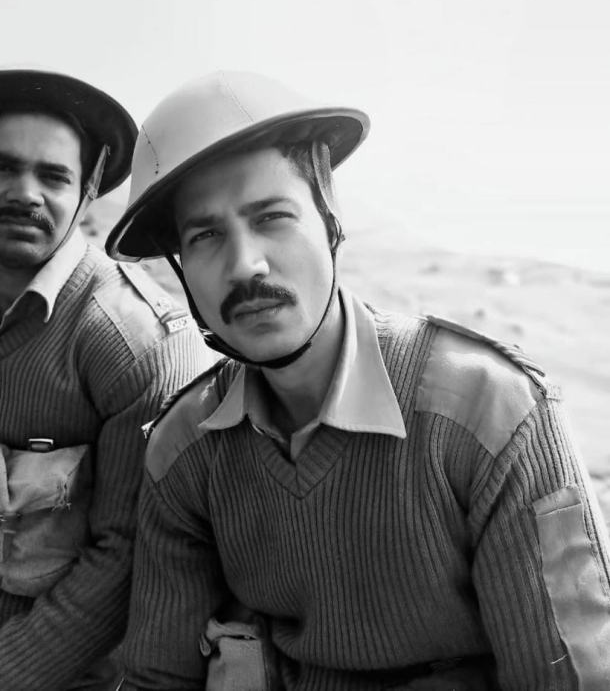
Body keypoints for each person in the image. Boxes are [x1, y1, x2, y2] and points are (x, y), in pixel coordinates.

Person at [106, 70, 610, 690]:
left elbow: (567, 676)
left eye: (272, 217)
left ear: (330, 219)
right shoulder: (184, 448)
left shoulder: (491, 413)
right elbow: (159, 673)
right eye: (206, 236)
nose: (246, 265)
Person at [0, 68, 211, 691]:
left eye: (53, 176)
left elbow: (125, 560)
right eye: (3, 168)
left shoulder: (133, 341)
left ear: (88, 189)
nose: (24, 193)